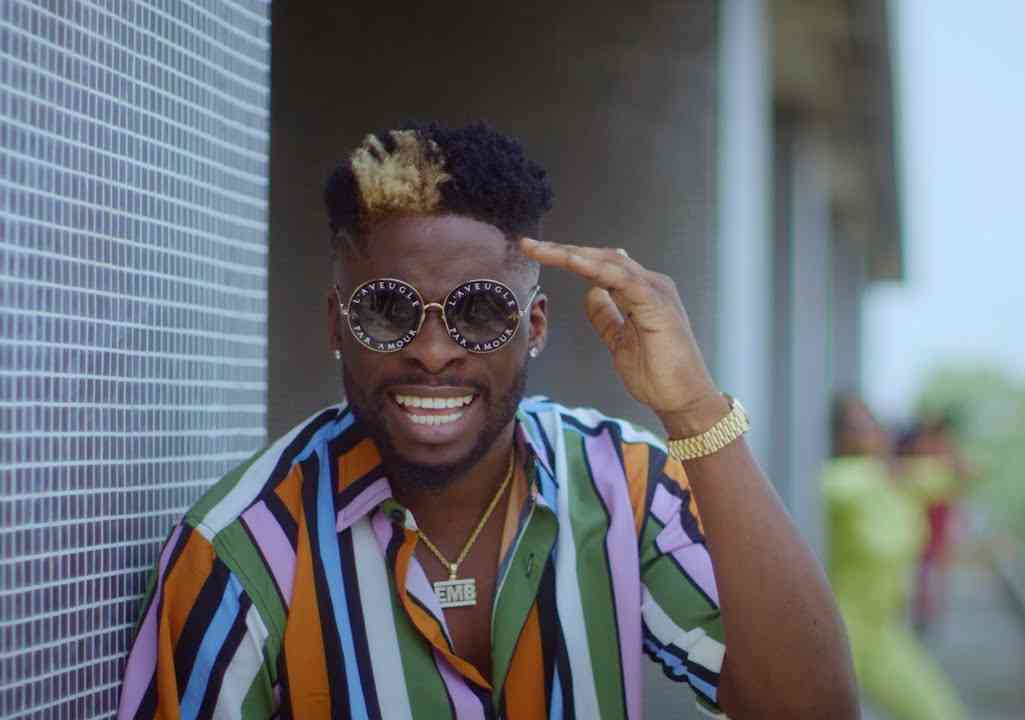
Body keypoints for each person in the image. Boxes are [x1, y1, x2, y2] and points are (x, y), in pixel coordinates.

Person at [117, 123, 856, 719]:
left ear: (534, 326)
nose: (434, 351)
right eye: (386, 310)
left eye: (479, 311)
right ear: (337, 326)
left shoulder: (623, 486)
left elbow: (811, 709)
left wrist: (692, 408)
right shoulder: (238, 552)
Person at [822, 395, 966, 720]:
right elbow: (828, 483)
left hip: (885, 633)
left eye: (871, 424)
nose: (869, 434)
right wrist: (887, 472)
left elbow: (963, 472)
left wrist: (929, 444)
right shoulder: (845, 482)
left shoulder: (900, 484)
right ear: (839, 439)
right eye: (855, 428)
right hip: (841, 636)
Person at [896, 414, 970, 630]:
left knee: (932, 571)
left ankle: (928, 613)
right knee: (919, 571)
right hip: (918, 522)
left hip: (937, 522)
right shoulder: (917, 460)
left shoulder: (947, 459)